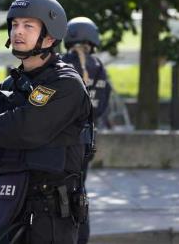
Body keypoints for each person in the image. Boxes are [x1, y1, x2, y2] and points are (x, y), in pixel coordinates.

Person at [0, 0, 93, 244]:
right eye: (15, 24)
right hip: (10, 208)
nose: (18, 32)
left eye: (28, 25)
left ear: (50, 36)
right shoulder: (12, 85)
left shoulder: (65, 83)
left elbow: (29, 128)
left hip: (49, 216)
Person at [62, 16, 111, 244]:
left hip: (62, 141)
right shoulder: (98, 67)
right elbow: (102, 105)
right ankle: (81, 238)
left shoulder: (61, 63)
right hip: (87, 142)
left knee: (57, 192)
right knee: (79, 190)